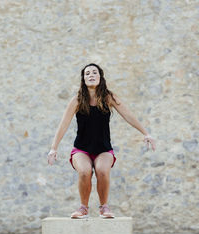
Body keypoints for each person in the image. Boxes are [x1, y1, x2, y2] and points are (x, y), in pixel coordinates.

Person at [47, 63, 156, 219]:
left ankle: (104, 207)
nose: (91, 75)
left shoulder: (108, 97)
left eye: (94, 72)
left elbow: (128, 115)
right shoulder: (77, 100)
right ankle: (83, 208)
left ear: (100, 77)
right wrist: (53, 148)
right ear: (83, 79)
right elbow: (63, 124)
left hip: (103, 149)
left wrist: (146, 133)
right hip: (81, 149)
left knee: (102, 171)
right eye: (87, 73)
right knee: (85, 172)